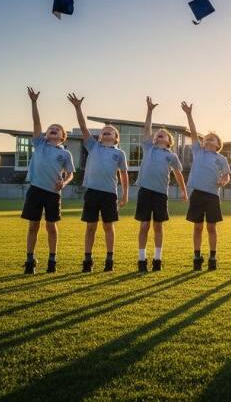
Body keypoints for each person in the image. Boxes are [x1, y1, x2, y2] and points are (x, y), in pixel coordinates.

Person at [67, 93, 129, 273]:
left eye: (111, 130)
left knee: (108, 226)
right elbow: (83, 126)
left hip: (110, 194)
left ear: (116, 137)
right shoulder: (93, 146)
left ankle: (109, 259)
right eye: (103, 130)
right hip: (92, 192)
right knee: (91, 227)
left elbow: (124, 176)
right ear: (100, 136)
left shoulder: (119, 154)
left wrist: (124, 195)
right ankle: (88, 259)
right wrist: (78, 108)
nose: (106, 130)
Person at [21, 87, 74, 274]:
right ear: (46, 134)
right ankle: (30, 260)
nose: (53, 129)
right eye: (51, 128)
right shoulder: (40, 144)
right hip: (35, 190)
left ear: (62, 136)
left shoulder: (65, 153)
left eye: (57, 129)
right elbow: (36, 122)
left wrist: (64, 183)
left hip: (53, 193)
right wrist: (34, 102)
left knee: (51, 227)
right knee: (33, 225)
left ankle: (52, 260)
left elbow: (70, 174)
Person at [135, 96, 188, 272]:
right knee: (144, 225)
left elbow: (178, 173)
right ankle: (141, 259)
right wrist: (149, 110)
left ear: (168, 141)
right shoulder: (148, 148)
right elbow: (147, 129)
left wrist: (183, 191)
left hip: (160, 194)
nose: (159, 134)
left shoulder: (171, 156)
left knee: (158, 226)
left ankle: (157, 259)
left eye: (163, 134)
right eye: (158, 133)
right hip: (145, 192)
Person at [182, 101, 231, 271]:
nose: (208, 138)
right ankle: (197, 255)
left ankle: (212, 256)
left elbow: (226, 175)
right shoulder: (198, 151)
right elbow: (194, 133)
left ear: (218, 144)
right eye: (207, 137)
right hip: (197, 194)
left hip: (212, 196)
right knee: (198, 226)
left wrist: (223, 181)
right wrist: (189, 114)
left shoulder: (221, 159)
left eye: (213, 138)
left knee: (211, 227)